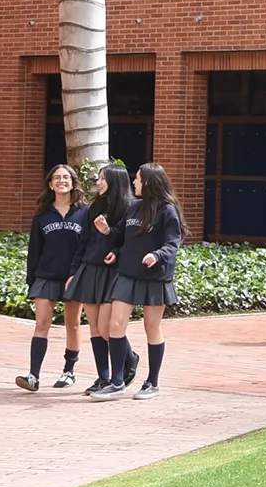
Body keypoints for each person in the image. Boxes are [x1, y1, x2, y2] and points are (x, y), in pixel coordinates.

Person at [91, 163, 182, 402]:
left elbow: (172, 244)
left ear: (150, 182)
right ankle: (117, 382)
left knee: (151, 327)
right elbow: (121, 237)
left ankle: (152, 382)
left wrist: (156, 255)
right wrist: (107, 234)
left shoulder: (167, 210)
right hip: (127, 274)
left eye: (138, 179)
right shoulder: (133, 207)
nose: (134, 183)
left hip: (155, 277)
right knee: (115, 325)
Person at [16, 165, 88, 392]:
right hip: (46, 276)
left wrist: (79, 274)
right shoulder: (42, 215)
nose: (61, 181)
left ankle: (69, 371)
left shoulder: (85, 212)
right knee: (41, 323)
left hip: (73, 277)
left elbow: (88, 247)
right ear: (50, 184)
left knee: (73, 324)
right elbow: (34, 251)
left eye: (66, 177)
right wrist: (31, 282)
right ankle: (33, 375)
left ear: (73, 182)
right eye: (57, 178)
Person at [66, 164, 131, 395]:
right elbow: (83, 242)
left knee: (106, 327)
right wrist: (74, 271)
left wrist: (116, 249)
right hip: (89, 269)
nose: (99, 182)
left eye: (103, 178)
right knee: (94, 327)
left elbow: (129, 242)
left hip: (112, 272)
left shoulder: (129, 208)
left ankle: (128, 361)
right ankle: (103, 377)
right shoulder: (95, 207)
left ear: (115, 181)